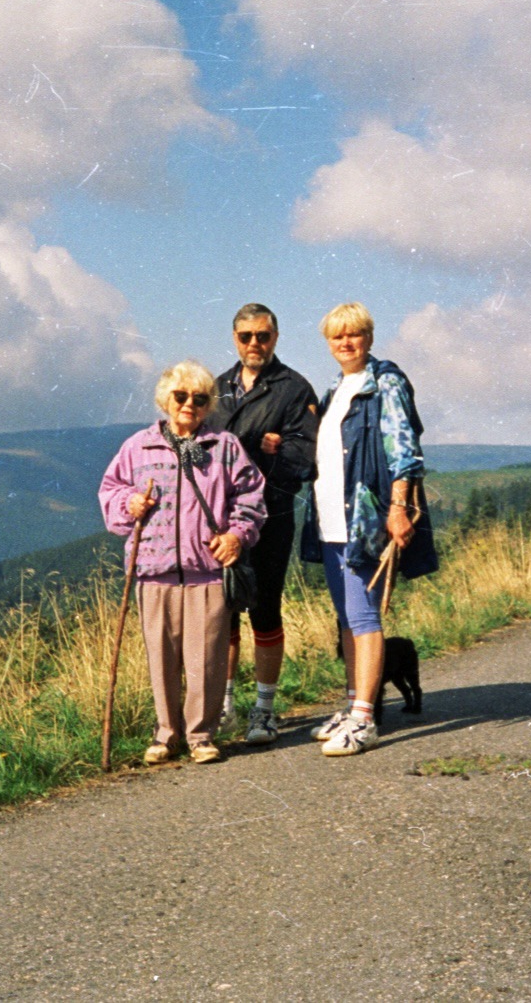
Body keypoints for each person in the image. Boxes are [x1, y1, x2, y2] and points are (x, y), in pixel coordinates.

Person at [99, 361, 266, 765]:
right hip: (153, 572)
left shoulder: (224, 447)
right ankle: (166, 734)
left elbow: (251, 497)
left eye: (199, 398)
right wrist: (129, 502)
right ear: (165, 399)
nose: (188, 404)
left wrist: (236, 536)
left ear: (209, 405)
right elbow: (110, 490)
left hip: (207, 570)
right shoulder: (137, 447)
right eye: (180, 396)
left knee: (206, 659)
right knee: (161, 657)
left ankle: (201, 735)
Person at [300, 302, 438, 756]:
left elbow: (405, 451)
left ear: (369, 337)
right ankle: (353, 704)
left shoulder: (386, 383)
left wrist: (398, 509)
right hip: (330, 519)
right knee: (345, 617)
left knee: (363, 616)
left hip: (365, 519)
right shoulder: (337, 388)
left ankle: (365, 718)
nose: (346, 342)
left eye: (354, 334)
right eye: (337, 336)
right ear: (328, 343)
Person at [212, 303, 318, 746]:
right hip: (221, 521)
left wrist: (279, 450)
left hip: (270, 517)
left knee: (265, 610)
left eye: (263, 336)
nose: (254, 344)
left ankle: (265, 710)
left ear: (276, 337)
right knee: (223, 614)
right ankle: (225, 708)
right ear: (234, 339)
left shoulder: (294, 388)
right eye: (246, 336)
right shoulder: (216, 389)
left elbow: (310, 456)